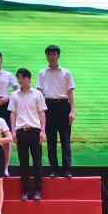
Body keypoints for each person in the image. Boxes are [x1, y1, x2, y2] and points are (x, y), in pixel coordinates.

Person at [9, 67, 47, 200]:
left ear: (28, 78)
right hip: (21, 131)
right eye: (18, 77)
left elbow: (42, 113)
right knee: (23, 163)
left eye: (20, 77)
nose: (19, 80)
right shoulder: (14, 95)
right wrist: (13, 131)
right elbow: (13, 114)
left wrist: (43, 130)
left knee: (37, 162)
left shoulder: (37, 94)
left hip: (35, 131)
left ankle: (37, 191)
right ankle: (25, 191)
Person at [37, 45, 75, 178]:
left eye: (53, 54)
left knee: (65, 139)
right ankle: (54, 169)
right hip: (48, 107)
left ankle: (67, 170)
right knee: (51, 140)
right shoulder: (42, 73)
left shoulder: (66, 72)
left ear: (58, 55)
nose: (51, 57)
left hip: (63, 106)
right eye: (48, 54)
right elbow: (39, 93)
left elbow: (70, 93)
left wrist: (72, 111)